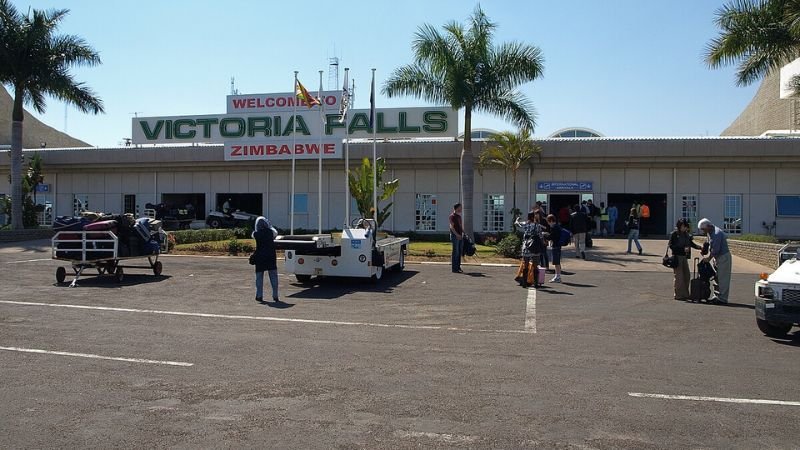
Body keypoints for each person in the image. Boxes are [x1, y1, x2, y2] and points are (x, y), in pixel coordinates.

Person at [698, 218, 731, 305]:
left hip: (723, 257)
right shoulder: (710, 232)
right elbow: (709, 243)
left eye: (703, 229)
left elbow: (716, 250)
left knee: (723, 278)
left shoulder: (717, 234)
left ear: (708, 226)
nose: (703, 231)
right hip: (717, 257)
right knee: (717, 277)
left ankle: (722, 298)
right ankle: (716, 296)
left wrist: (708, 258)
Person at [668, 218, 702, 301]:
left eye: (686, 226)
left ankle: (685, 293)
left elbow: (691, 244)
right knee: (679, 277)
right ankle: (678, 294)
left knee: (687, 275)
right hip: (677, 256)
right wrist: (682, 249)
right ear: (679, 226)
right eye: (683, 226)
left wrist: (700, 247)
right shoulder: (674, 234)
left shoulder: (686, 235)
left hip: (684, 257)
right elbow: (671, 246)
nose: (685, 228)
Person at [252, 216, 279, 304]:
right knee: (273, 276)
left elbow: (253, 235)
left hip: (260, 257)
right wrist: (270, 226)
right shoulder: (271, 232)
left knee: (259, 277)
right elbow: (275, 232)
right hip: (271, 256)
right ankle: (275, 295)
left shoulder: (256, 234)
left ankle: (259, 295)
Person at [516, 212, 543, 288]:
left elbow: (517, 224)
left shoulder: (526, 224)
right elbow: (540, 235)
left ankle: (524, 283)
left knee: (526, 264)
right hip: (535, 246)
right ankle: (536, 283)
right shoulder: (537, 225)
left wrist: (517, 219)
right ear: (534, 217)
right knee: (535, 265)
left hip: (527, 245)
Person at [546, 214, 563, 283]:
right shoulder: (558, 226)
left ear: (551, 221)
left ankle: (557, 277)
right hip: (558, 245)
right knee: (557, 262)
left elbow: (551, 237)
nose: (548, 223)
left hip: (555, 246)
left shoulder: (554, 227)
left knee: (556, 262)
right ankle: (557, 276)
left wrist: (545, 236)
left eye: (548, 221)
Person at [449, 203, 464, 273]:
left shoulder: (459, 217)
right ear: (457, 208)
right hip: (455, 236)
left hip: (460, 236)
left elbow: (460, 226)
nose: (461, 209)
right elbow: (451, 227)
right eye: (460, 207)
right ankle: (454, 268)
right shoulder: (452, 216)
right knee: (455, 252)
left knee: (459, 252)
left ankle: (458, 267)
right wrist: (457, 235)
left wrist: (464, 233)